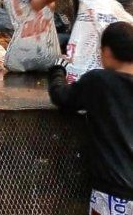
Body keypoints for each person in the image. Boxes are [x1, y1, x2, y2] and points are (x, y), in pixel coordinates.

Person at [48, 21, 133, 214]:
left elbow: (61, 97)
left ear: (107, 52)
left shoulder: (99, 82)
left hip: (113, 194)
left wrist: (57, 70)